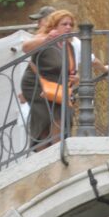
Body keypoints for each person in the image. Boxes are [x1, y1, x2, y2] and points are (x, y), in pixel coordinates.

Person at [20, 9, 79, 148]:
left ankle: (52, 150)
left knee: (58, 115)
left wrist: (76, 77)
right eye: (64, 24)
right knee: (48, 117)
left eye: (70, 24)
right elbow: (25, 47)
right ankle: (54, 150)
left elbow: (69, 69)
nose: (68, 27)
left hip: (56, 86)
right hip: (36, 85)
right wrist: (45, 39)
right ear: (54, 25)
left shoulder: (68, 45)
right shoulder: (45, 37)